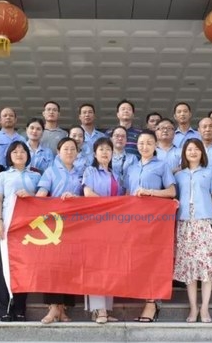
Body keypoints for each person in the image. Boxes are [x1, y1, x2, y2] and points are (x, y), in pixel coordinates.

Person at [124, 129, 176, 322]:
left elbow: (171, 191)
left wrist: (149, 192)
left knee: (152, 260)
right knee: (137, 260)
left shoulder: (162, 165)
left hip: (154, 223)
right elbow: (127, 194)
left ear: (155, 146)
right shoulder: (131, 168)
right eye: (141, 143)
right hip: (133, 222)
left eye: (148, 143)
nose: (144, 146)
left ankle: (152, 303)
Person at [173, 138, 212, 323]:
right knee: (189, 268)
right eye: (189, 149)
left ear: (202, 152)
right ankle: (193, 308)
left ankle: (204, 308)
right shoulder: (178, 175)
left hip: (205, 223)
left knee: (206, 267)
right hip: (184, 225)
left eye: (196, 149)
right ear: (184, 153)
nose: (193, 152)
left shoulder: (210, 172)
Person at [35, 137, 83, 324]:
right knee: (53, 266)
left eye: (73, 149)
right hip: (54, 226)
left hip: (76, 226)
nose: (69, 152)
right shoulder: (51, 171)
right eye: (65, 149)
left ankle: (63, 309)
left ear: (77, 153)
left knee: (70, 266)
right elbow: (41, 194)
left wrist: (76, 198)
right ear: (58, 151)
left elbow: (87, 197)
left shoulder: (82, 172)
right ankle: (53, 307)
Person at [0, 141, 41, 321]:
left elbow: (43, 200)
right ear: (9, 156)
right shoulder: (3, 176)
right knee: (5, 268)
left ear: (28, 155)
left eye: (22, 151)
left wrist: (31, 196)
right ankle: (4, 309)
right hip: (8, 226)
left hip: (29, 229)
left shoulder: (36, 176)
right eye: (15, 152)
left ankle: (20, 308)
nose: (19, 154)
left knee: (24, 268)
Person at [83, 137, 124, 324]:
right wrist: (109, 206)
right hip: (94, 223)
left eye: (108, 149)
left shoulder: (116, 175)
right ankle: (98, 309)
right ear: (94, 153)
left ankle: (106, 309)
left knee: (110, 265)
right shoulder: (90, 171)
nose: (105, 152)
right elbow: (88, 193)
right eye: (101, 149)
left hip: (112, 225)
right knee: (96, 266)